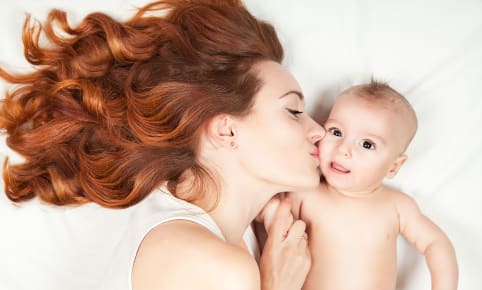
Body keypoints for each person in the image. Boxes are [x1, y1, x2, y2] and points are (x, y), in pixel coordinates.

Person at [0, 1, 326, 290]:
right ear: (226, 131)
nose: (319, 131)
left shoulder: (215, 234)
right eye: (294, 111)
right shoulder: (216, 268)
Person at [261, 80, 459, 290]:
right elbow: (266, 211)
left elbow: (436, 245)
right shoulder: (306, 194)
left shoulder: (397, 206)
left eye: (367, 144)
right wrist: (270, 209)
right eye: (336, 132)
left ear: (393, 166)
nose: (343, 149)